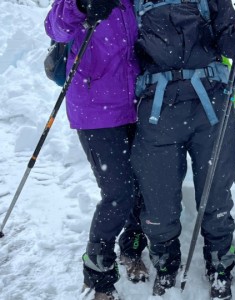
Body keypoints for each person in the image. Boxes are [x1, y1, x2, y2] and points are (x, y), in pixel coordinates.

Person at [130, 1, 235, 299]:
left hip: (210, 106)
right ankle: (166, 265)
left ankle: (220, 265)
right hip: (157, 109)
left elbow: (233, 45)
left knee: (216, 195)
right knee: (159, 200)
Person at [45, 0, 149, 299]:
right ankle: (98, 273)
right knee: (119, 192)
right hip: (96, 110)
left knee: (142, 185)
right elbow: (55, 27)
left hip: (138, 105)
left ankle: (131, 249)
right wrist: (81, 5)